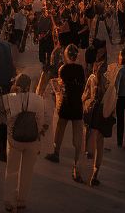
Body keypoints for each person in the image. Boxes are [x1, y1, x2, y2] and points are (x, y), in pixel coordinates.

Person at [0, 74, 47, 212]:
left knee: (12, 170)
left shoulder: (11, 98)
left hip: (14, 140)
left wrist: (7, 122)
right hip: (32, 140)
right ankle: (21, 201)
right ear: (29, 85)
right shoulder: (38, 100)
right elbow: (41, 122)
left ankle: (9, 202)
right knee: (27, 171)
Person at [45, 44, 86, 178]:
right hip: (77, 103)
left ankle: (56, 152)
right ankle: (76, 164)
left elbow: (61, 85)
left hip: (66, 103)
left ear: (66, 55)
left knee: (60, 127)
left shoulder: (63, 69)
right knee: (78, 135)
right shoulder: (81, 69)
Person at [81, 59, 115, 186]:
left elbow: (85, 95)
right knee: (99, 144)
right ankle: (95, 172)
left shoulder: (91, 79)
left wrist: (85, 104)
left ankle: (84, 167)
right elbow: (112, 102)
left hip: (92, 113)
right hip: (102, 115)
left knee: (89, 137)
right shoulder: (109, 83)